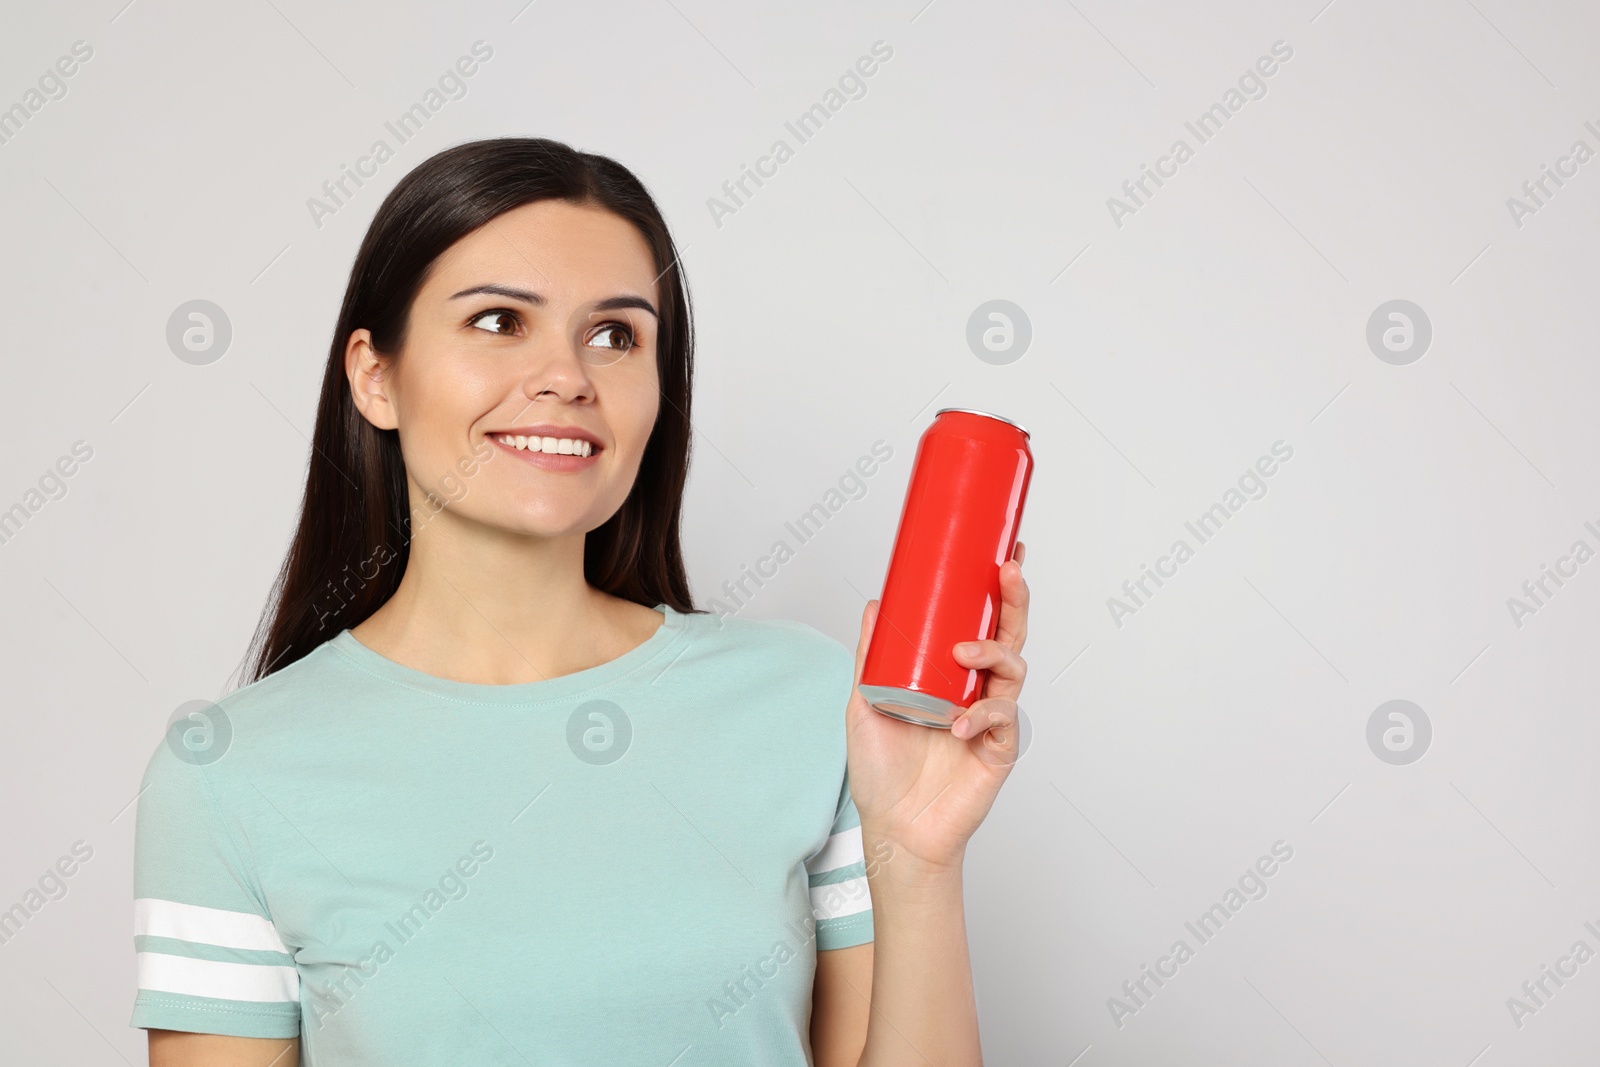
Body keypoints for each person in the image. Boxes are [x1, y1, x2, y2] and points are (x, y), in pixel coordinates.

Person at [129, 137, 1030, 1066]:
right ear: (376, 376)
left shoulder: (813, 703)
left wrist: (918, 860)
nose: (568, 376)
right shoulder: (229, 774)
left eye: (615, 335)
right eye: (497, 321)